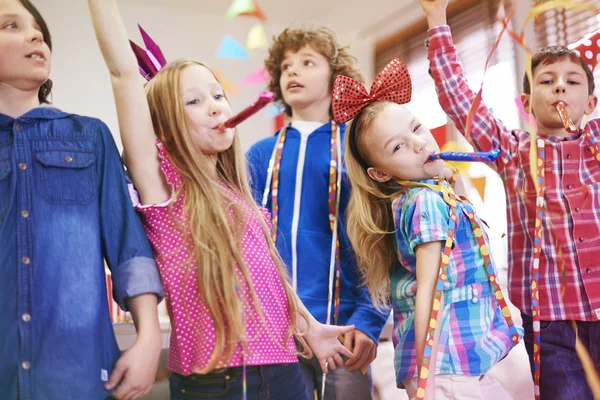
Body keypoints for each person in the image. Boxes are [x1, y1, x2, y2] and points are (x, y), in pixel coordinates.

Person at [88, 1, 355, 398]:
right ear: (161, 127)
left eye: (217, 95)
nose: (215, 106)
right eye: (193, 102)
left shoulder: (239, 194)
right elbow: (123, 73)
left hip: (284, 370)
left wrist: (310, 327)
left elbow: (268, 277)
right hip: (219, 380)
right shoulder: (164, 187)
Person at [420, 0, 600, 397]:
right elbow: (459, 100)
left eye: (572, 82)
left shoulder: (597, 144)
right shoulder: (512, 150)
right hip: (551, 327)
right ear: (526, 103)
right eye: (546, 80)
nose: (559, 86)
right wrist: (437, 19)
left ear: (590, 104)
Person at [0, 1, 165, 399]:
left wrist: (149, 339)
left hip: (81, 376)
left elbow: (127, 245)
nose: (36, 35)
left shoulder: (89, 137)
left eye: (38, 29)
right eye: (11, 26)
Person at [337, 58, 521, 399]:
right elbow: (429, 293)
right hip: (444, 365)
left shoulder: (426, 195)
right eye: (398, 146)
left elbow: (466, 231)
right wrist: (426, 385)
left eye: (416, 128)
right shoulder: (426, 203)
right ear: (380, 173)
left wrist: (451, 175)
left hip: (456, 362)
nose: (419, 143)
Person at [246, 26, 388, 399]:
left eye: (307, 62)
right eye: (286, 66)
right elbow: (243, 243)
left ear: (335, 78)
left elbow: (381, 241)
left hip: (345, 330)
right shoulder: (259, 156)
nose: (292, 71)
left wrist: (369, 322)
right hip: (276, 331)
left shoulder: (358, 148)